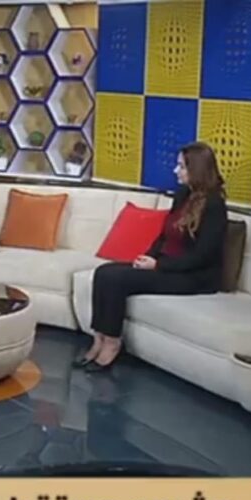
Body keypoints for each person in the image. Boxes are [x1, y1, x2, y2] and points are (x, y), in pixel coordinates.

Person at [76, 141, 229, 372]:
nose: (176, 171)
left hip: (194, 277)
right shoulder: (183, 195)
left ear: (196, 169)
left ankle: (113, 343)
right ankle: (99, 338)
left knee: (117, 279)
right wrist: (146, 257)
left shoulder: (215, 206)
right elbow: (164, 236)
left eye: (181, 166)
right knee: (104, 272)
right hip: (166, 265)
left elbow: (202, 256)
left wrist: (158, 265)